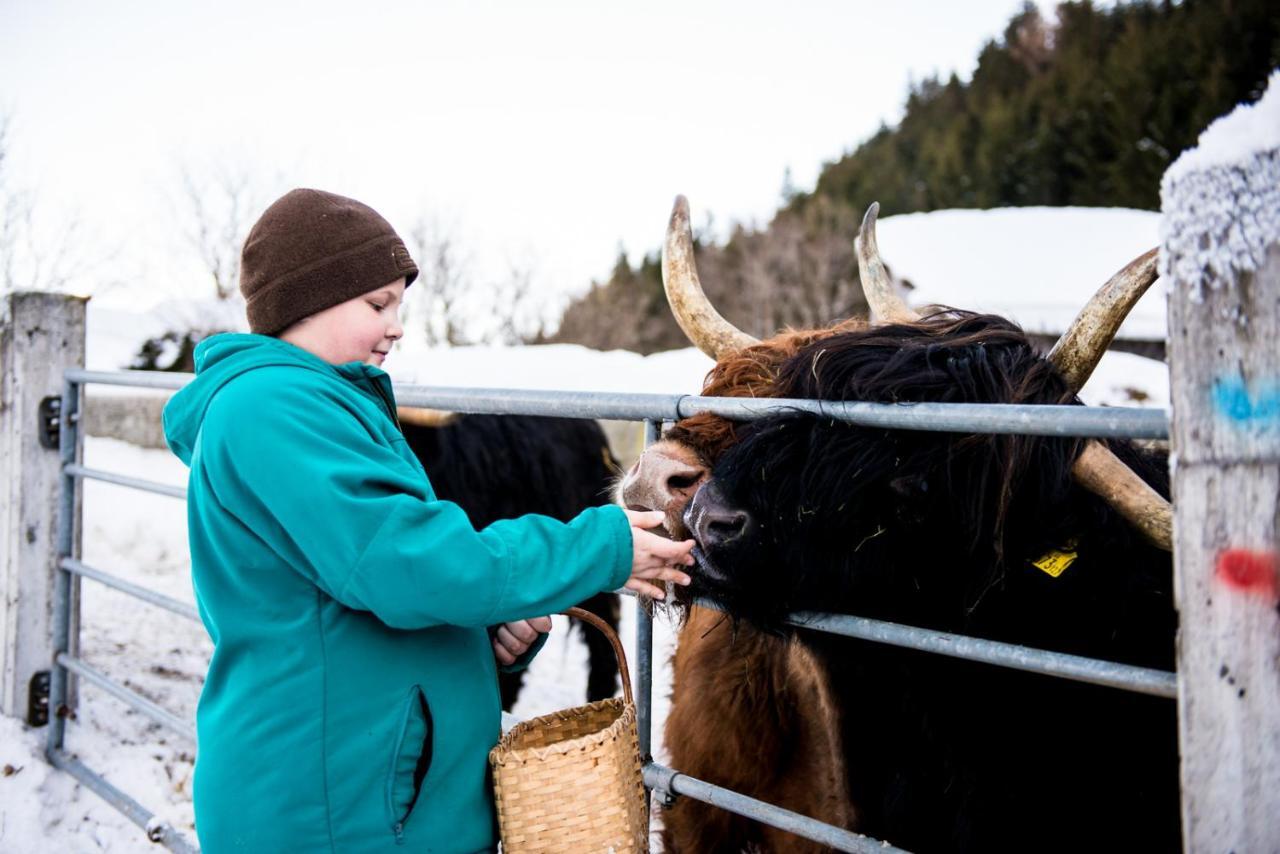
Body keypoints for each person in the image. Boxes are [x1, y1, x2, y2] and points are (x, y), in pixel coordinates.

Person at [162, 188, 694, 853]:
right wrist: (600, 545)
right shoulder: (277, 410)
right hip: (336, 814)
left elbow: (352, 587)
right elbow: (405, 565)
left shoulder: (315, 405)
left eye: (399, 305)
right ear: (308, 301)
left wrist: (475, 637)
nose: (396, 326)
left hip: (367, 797)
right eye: (377, 304)